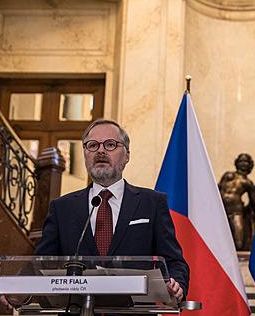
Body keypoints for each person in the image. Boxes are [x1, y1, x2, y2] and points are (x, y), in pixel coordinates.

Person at [34, 119, 189, 303]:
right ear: (85, 155)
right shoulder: (61, 208)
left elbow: (174, 261)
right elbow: (40, 264)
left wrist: (176, 284)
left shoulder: (153, 203)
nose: (100, 151)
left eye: (110, 145)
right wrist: (19, 290)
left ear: (127, 156)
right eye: (92, 145)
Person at [218, 153, 255, 250]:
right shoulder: (228, 175)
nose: (243, 163)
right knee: (217, 237)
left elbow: (254, 202)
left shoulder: (248, 183)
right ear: (237, 163)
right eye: (241, 161)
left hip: (235, 212)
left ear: (250, 164)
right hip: (220, 210)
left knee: (239, 242)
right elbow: (217, 189)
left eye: (246, 161)